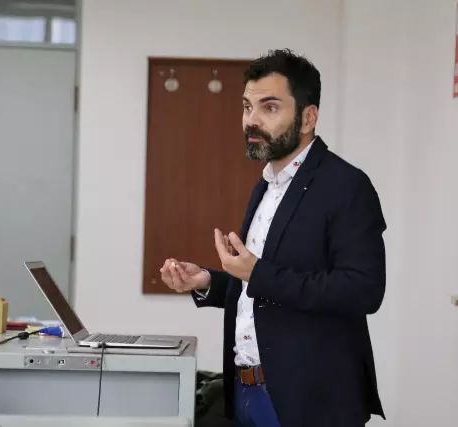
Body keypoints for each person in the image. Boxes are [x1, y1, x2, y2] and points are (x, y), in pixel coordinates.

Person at [159, 49, 386, 427]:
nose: (252, 120)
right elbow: (262, 289)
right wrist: (207, 281)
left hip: (309, 402)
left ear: (308, 117)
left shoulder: (346, 186)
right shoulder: (266, 186)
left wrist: (257, 273)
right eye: (247, 107)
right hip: (246, 390)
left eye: (270, 108)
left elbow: (364, 290)